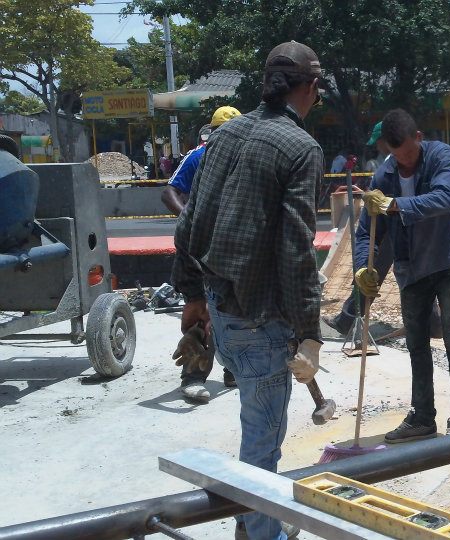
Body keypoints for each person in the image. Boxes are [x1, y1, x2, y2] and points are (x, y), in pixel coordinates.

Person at [172, 40, 326, 540]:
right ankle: (261, 532)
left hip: (221, 308)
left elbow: (188, 220)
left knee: (257, 432)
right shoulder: (302, 148)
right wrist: (309, 332)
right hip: (260, 321)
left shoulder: (227, 133)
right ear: (310, 88)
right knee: (262, 446)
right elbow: (297, 249)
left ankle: (253, 521)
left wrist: (193, 297)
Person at [355, 108, 450, 442]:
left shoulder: (441, 156)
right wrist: (364, 266)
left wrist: (394, 205)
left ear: (418, 138)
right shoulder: (383, 178)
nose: (403, 160)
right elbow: (367, 232)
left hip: (449, 263)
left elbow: (443, 199)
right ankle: (422, 417)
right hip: (412, 271)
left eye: (407, 151)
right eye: (396, 154)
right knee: (416, 345)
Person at [323, 122, 441, 339]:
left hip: (393, 226)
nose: (378, 146)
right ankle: (434, 325)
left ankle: (346, 320)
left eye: (378, 142)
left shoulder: (398, 159)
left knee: (372, 273)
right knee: (410, 275)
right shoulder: (396, 160)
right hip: (404, 224)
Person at [162, 106, 242, 402]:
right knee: (199, 310)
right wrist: (190, 221)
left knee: (232, 309)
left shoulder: (242, 160)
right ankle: (193, 375)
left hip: (226, 249)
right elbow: (168, 192)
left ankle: (234, 369)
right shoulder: (197, 157)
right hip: (194, 249)